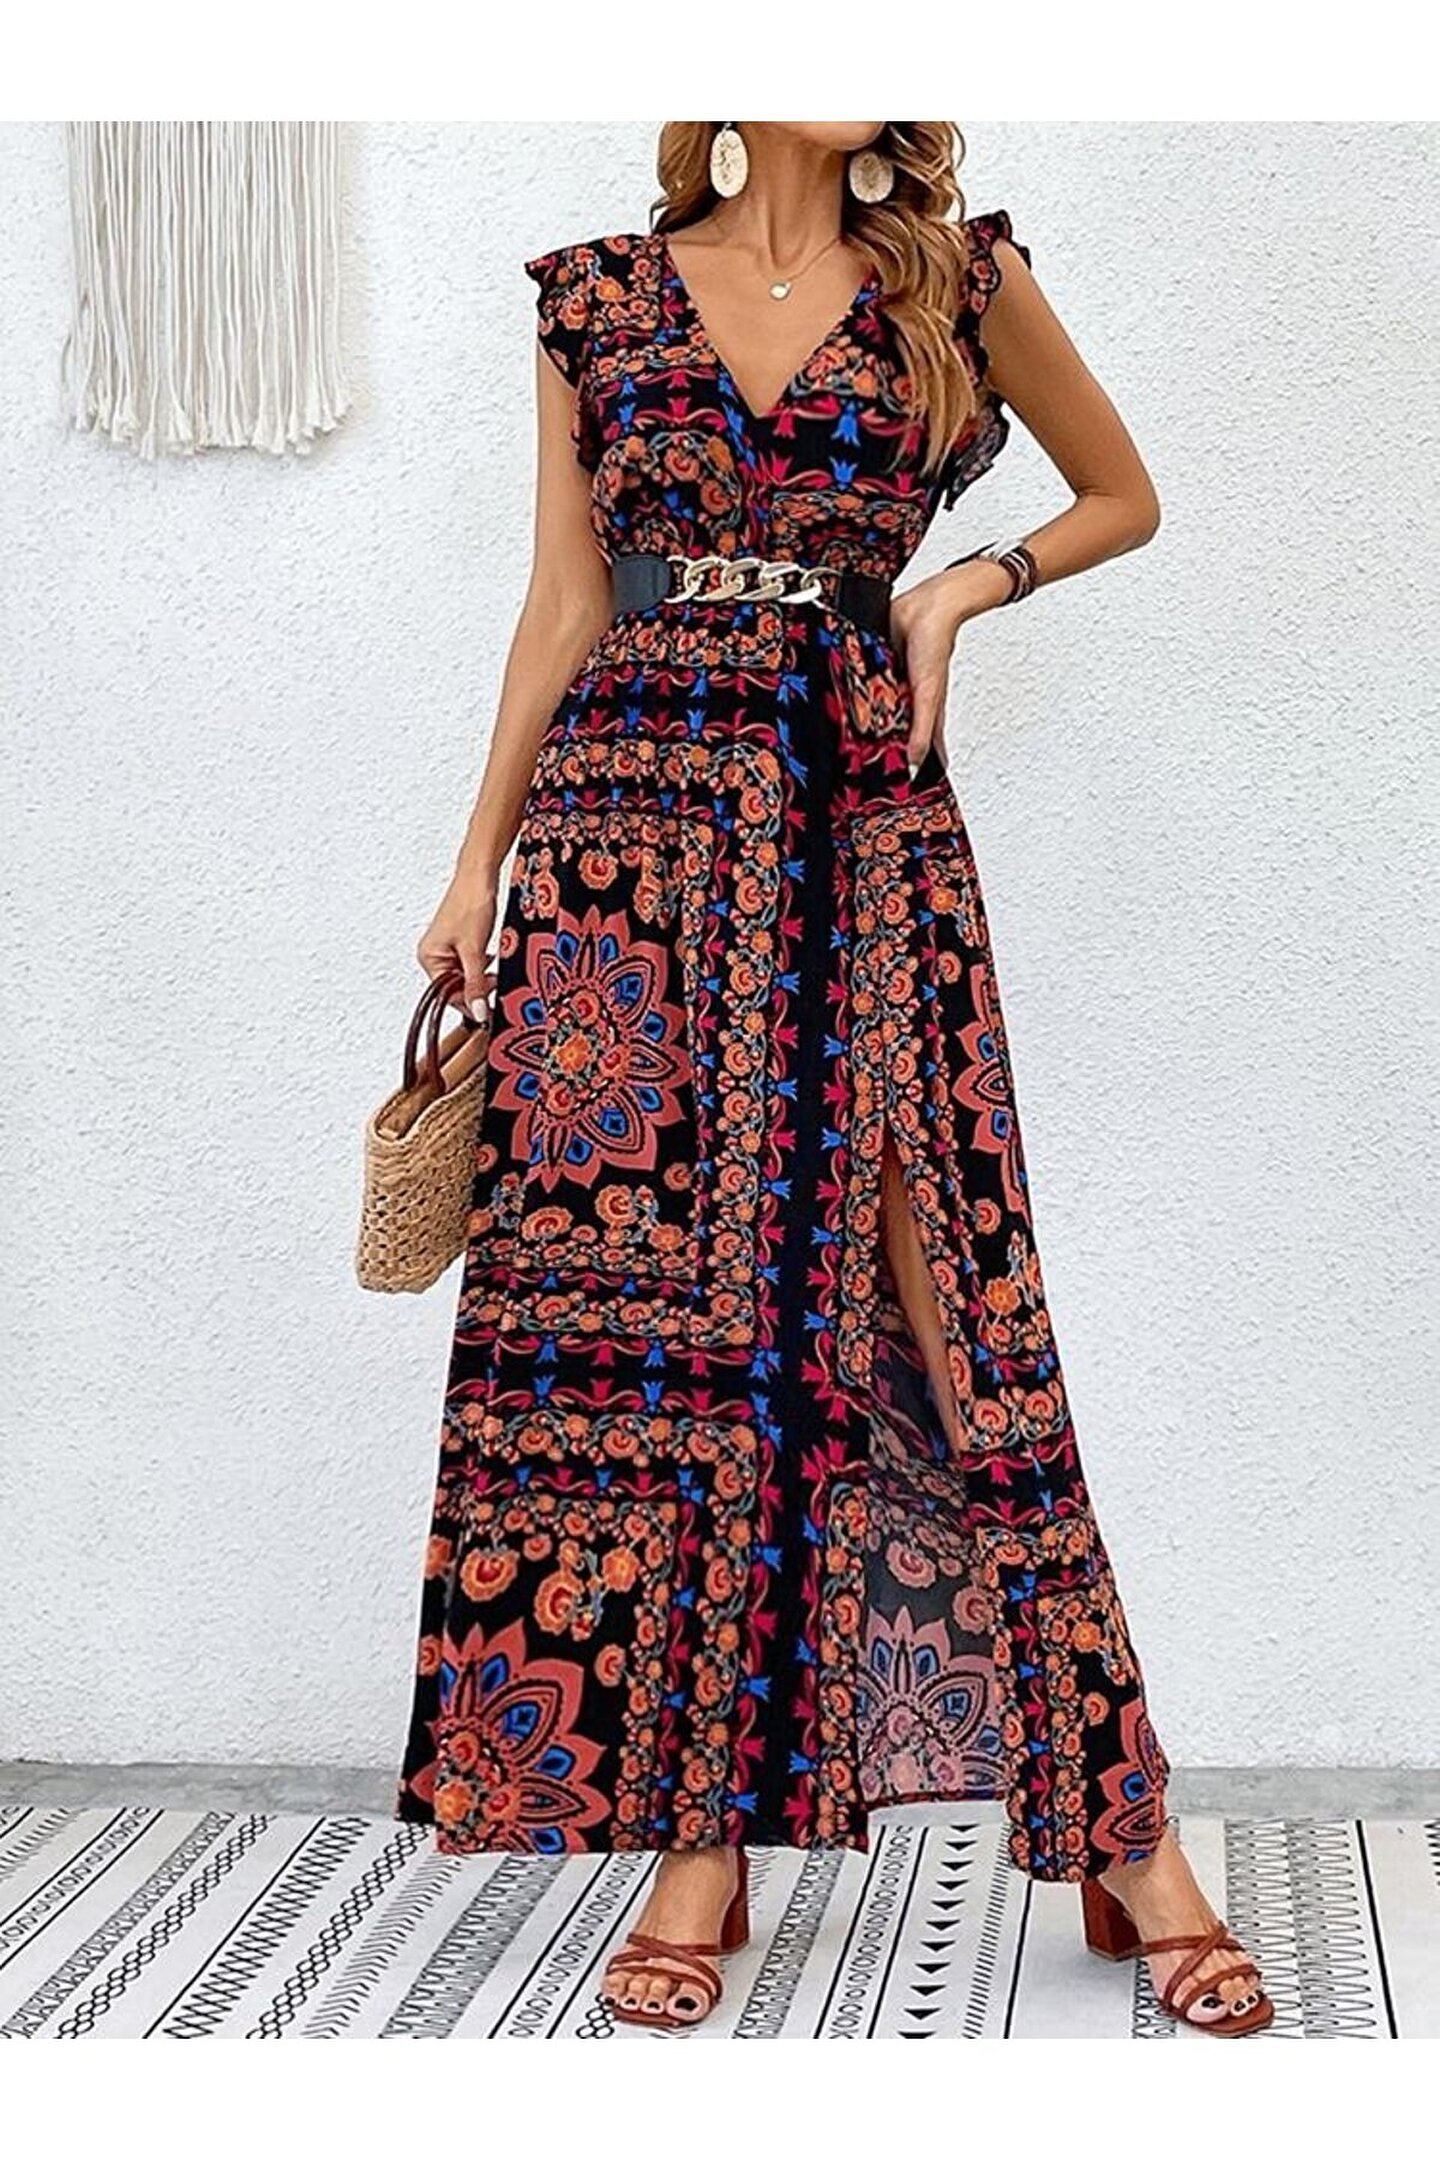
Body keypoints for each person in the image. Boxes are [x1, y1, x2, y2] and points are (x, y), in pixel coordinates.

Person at [393, 120, 1272, 2038]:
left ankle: (1126, 1829)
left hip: (860, 814)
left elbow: (1124, 493)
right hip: (628, 846)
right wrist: (477, 865)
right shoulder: (597, 300)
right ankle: (698, 1849)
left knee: (952, 1298)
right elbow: (564, 604)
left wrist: (962, 588)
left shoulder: (957, 279)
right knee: (675, 1351)